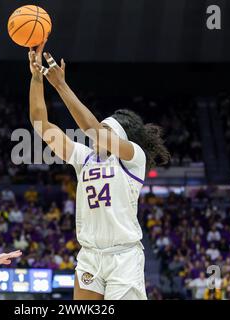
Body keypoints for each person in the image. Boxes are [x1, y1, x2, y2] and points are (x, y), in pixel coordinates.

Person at [28, 41, 170, 300]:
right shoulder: (84, 157)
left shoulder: (132, 159)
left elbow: (90, 128)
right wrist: (37, 78)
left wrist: (60, 84)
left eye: (106, 130)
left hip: (124, 256)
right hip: (90, 255)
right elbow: (40, 124)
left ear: (119, 138)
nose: (97, 135)